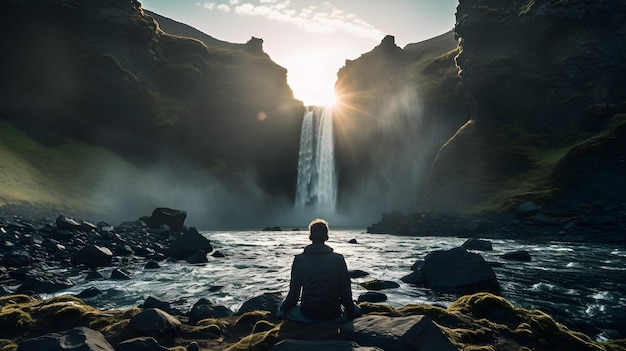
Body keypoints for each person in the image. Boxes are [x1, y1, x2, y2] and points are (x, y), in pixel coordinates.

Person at [277, 218, 361, 323]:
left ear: (310, 237)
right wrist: (352, 311)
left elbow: (294, 296)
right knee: (356, 310)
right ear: (327, 237)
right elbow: (345, 294)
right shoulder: (339, 259)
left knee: (282, 307)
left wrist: (283, 308)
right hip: (334, 316)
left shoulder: (299, 259)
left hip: (308, 316)